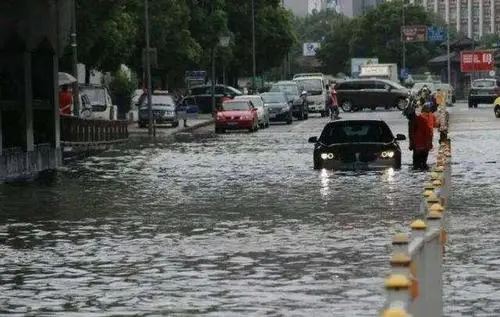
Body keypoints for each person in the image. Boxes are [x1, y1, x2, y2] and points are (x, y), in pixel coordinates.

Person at [409, 103, 436, 170]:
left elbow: (412, 135)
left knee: (417, 163)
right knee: (421, 163)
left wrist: (412, 144)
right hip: (421, 146)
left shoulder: (416, 121)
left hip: (419, 146)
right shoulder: (420, 120)